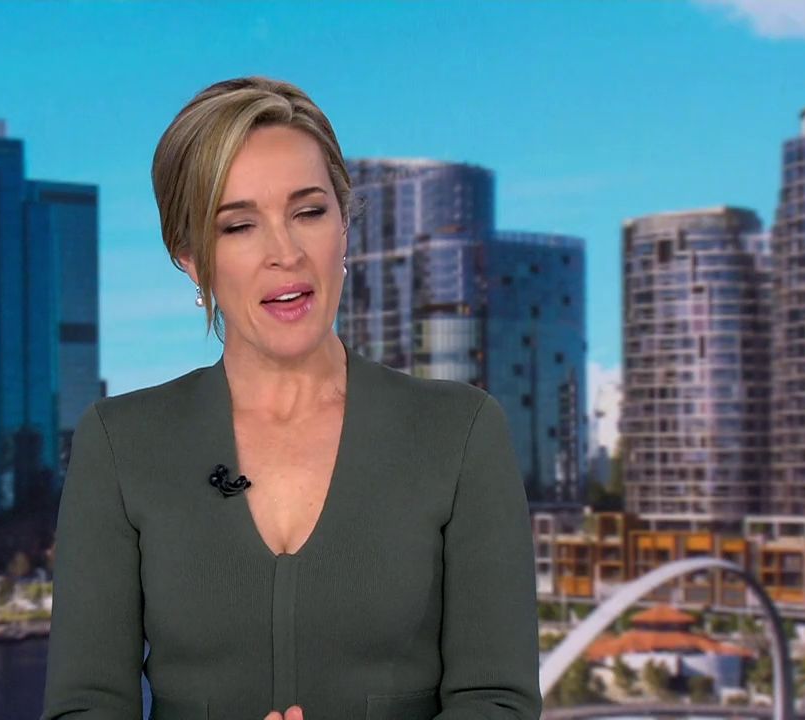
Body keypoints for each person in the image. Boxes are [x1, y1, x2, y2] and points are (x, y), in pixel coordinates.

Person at [40, 76, 541, 720]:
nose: (285, 253)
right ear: (191, 258)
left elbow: (497, 701)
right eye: (239, 225)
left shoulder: (461, 432)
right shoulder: (120, 443)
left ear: (344, 225)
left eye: (308, 213)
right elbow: (84, 706)